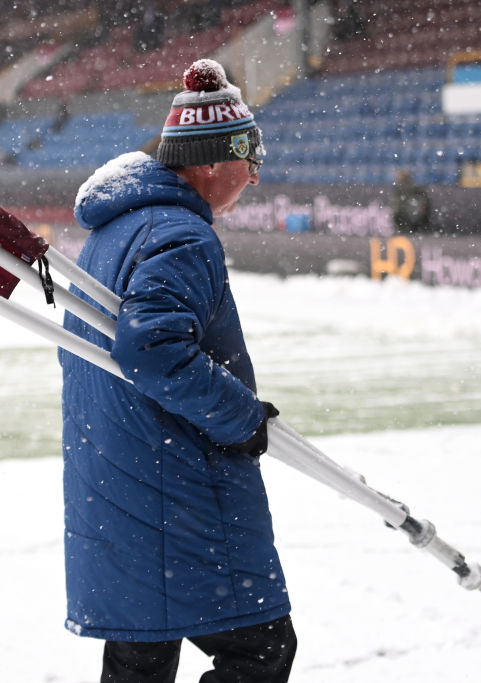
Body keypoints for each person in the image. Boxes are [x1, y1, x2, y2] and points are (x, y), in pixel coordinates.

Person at [59, 59, 296, 682]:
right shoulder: (182, 234)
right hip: (178, 490)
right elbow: (153, 350)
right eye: (251, 160)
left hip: (118, 477)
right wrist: (240, 417)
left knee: (143, 652)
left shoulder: (114, 230)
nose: (256, 176)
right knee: (261, 650)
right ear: (212, 161)